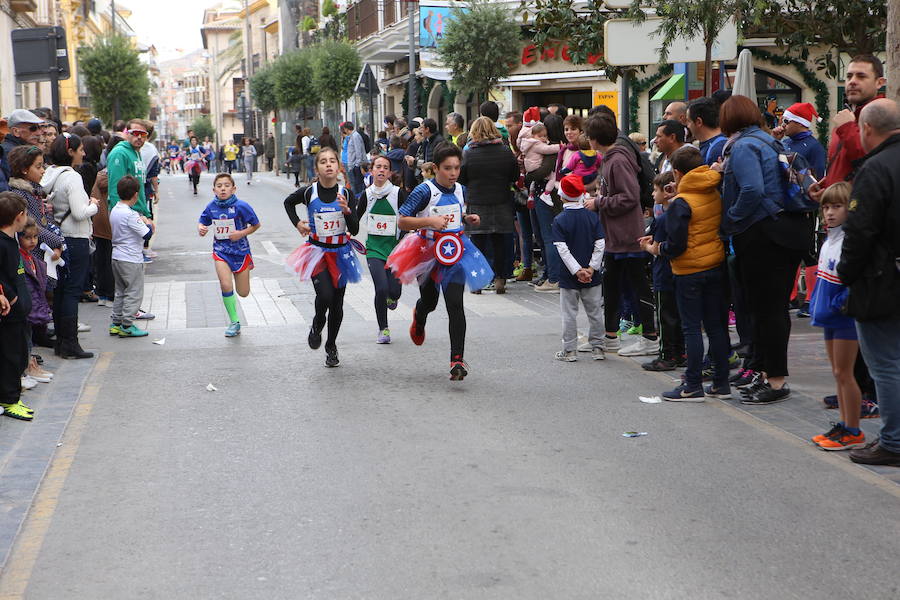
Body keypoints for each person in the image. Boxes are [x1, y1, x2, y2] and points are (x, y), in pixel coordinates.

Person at [716, 94, 808, 405]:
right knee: (771, 308)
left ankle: (776, 381)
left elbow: (752, 190)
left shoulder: (743, 146)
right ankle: (767, 374)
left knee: (767, 310)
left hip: (763, 234)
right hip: (782, 231)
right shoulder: (767, 141)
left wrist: (731, 218)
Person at [387, 143, 492, 380]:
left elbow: (454, 213)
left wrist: (467, 218)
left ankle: (457, 359)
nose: (453, 173)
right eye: (447, 168)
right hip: (428, 252)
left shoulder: (460, 190)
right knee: (431, 301)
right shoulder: (424, 191)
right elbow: (402, 221)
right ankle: (420, 315)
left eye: (456, 167)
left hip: (455, 252)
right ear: (435, 168)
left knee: (455, 304)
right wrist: (429, 222)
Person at [838, 98, 900, 466]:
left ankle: (893, 441)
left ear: (866, 130)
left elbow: (860, 230)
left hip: (882, 279)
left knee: (886, 363)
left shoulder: (876, 168)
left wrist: (846, 273)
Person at [641, 146, 730, 401]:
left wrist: (654, 247)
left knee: (691, 328)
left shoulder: (682, 202)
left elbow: (676, 244)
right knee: (715, 326)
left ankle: (692, 385)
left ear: (677, 172)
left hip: (689, 270)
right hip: (714, 263)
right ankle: (721, 383)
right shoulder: (712, 189)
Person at [284, 147, 362, 367]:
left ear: (339, 167)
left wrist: (347, 212)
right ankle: (317, 324)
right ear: (316, 168)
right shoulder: (309, 192)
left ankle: (331, 345)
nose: (328, 165)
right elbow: (288, 203)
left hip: (341, 254)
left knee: (337, 304)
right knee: (325, 296)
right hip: (317, 252)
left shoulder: (346, 194)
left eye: (332, 161)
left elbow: (354, 229)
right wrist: (298, 223)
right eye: (323, 162)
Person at [804, 182, 863, 449]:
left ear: (849, 208)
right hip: (829, 314)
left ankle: (853, 429)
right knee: (837, 373)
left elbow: (852, 280)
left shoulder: (849, 241)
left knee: (844, 372)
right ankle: (844, 424)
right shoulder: (830, 240)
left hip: (844, 316)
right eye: (826, 207)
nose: (829, 213)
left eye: (836, 207)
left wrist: (840, 303)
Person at [42, 133, 98, 359]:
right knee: (72, 292)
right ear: (71, 152)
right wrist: (94, 205)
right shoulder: (72, 177)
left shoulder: (49, 174)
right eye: (80, 149)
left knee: (61, 291)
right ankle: (70, 343)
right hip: (75, 238)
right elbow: (79, 212)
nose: (84, 153)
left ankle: (62, 342)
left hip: (58, 239)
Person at [459, 117, 518, 294]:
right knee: (500, 243)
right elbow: (514, 175)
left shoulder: (468, 153)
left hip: (477, 203)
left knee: (478, 244)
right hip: (501, 202)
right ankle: (500, 279)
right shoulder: (505, 151)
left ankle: (478, 282)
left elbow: (462, 178)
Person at [551, 175, 606, 362]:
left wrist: (576, 270)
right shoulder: (592, 217)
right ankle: (598, 347)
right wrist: (591, 268)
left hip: (568, 275)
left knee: (568, 313)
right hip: (593, 275)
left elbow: (562, 249)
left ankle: (569, 350)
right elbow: (600, 243)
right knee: (595, 312)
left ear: (561, 196)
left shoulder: (559, 220)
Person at [199, 173, 261, 338]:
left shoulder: (242, 206)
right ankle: (234, 322)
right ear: (214, 190)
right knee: (226, 285)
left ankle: (243, 272)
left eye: (226, 185)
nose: (223, 188)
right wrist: (201, 228)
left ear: (233, 189)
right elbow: (202, 221)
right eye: (219, 186)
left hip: (240, 253)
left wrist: (241, 233)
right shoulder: (211, 206)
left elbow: (256, 225)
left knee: (243, 292)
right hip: (221, 252)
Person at [355, 155, 406, 343]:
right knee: (381, 288)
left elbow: (408, 217)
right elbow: (355, 219)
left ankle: (393, 298)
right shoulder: (366, 195)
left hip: (395, 250)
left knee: (395, 292)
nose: (382, 170)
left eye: (386, 167)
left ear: (390, 173)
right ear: (372, 171)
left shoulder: (398, 193)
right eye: (378, 167)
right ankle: (383, 329)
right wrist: (343, 229)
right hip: (374, 249)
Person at [641, 171, 684, 372]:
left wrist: (647, 247)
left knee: (665, 316)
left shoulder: (663, 218)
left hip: (663, 272)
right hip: (678, 272)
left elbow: (657, 248)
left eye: (655, 190)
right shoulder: (679, 214)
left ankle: (666, 355)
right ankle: (680, 352)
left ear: (666, 192)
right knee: (677, 315)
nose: (652, 194)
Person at [0, 192, 32, 420]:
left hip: (20, 312)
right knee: (10, 357)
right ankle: (10, 399)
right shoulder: (2, 243)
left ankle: (13, 396)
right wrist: (11, 297)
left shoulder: (11, 240)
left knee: (19, 354)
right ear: (19, 217)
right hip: (10, 312)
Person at [108, 176, 153, 338]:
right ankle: (127, 325)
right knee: (134, 292)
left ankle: (116, 323)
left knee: (120, 291)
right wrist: (146, 222)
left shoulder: (115, 210)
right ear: (135, 195)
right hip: (131, 258)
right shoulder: (131, 215)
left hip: (117, 256)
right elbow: (147, 234)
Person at [18, 218, 54, 386]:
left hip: (31, 305)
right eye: (27, 237)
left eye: (35, 237)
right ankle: (26, 367)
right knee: (23, 337)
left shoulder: (30, 256)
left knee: (28, 336)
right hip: (24, 306)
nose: (32, 241)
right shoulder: (19, 256)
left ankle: (29, 364)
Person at [107, 120, 149, 219]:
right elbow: (114, 188)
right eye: (135, 133)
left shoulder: (137, 153)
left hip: (138, 214)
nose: (139, 137)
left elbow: (141, 189)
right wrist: (121, 217)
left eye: (142, 134)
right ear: (127, 134)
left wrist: (147, 215)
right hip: (126, 216)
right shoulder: (119, 153)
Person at [773, 102, 826, 178]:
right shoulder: (785, 142)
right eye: (782, 120)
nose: (783, 125)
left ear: (800, 123)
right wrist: (774, 140)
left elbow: (818, 178)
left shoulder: (815, 147)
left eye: (786, 121)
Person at [687, 97, 728, 166]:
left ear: (698, 122)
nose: (688, 126)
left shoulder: (717, 149)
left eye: (688, 121)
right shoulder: (719, 143)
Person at [340, 122, 367, 197]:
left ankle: (356, 199)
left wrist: (357, 165)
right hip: (353, 164)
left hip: (356, 165)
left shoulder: (355, 136)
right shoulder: (352, 136)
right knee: (354, 183)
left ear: (346, 129)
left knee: (356, 184)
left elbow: (358, 150)